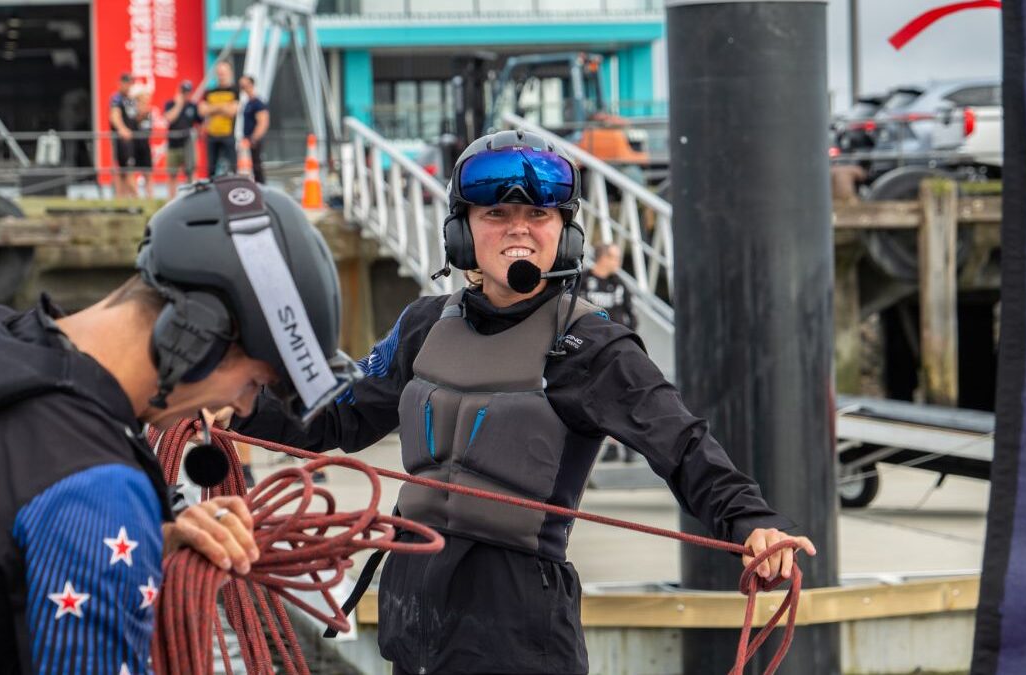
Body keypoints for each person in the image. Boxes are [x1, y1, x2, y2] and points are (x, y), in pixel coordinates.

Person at [234, 130, 817, 675]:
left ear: (564, 231)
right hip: (413, 608)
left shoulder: (592, 346)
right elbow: (341, 417)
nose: (518, 229)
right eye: (496, 214)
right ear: (463, 231)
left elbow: (683, 446)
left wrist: (753, 522)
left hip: (518, 623)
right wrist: (238, 405)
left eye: (538, 215)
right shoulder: (421, 325)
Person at [0, 176, 358, 673]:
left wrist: (151, 535)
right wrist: (117, 529)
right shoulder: (97, 490)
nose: (245, 407)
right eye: (254, 382)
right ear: (196, 337)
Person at [583, 242, 637, 462]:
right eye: (614, 257)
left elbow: (630, 316)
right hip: (587, 351)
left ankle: (624, 444)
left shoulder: (619, 284)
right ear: (603, 258)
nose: (618, 263)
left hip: (614, 350)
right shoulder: (583, 281)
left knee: (618, 395)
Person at [198, 61, 239, 179]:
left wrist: (212, 108)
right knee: (211, 168)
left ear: (229, 73)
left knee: (232, 167)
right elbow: (202, 110)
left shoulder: (235, 90)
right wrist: (223, 106)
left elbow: (232, 111)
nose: (221, 75)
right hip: (212, 134)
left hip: (228, 134)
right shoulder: (209, 92)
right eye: (219, 72)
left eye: (224, 72)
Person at [164, 80, 201, 196]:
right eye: (183, 92)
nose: (185, 95)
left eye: (188, 92)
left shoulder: (193, 106)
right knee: (172, 173)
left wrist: (196, 139)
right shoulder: (170, 104)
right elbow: (170, 118)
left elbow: (200, 123)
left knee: (190, 171)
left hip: (188, 144)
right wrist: (178, 104)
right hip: (173, 145)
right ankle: (171, 199)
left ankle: (191, 196)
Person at [109, 72, 139, 198]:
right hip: (122, 140)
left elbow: (135, 117)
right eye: (126, 83)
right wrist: (122, 129)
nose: (128, 86)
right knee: (124, 170)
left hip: (132, 141)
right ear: (120, 83)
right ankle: (128, 198)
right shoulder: (117, 98)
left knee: (127, 170)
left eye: (130, 83)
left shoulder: (131, 100)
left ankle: (126, 198)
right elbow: (114, 116)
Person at [238, 75, 269, 184]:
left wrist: (254, 138)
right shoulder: (247, 103)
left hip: (253, 140)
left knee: (257, 166)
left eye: (244, 85)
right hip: (247, 140)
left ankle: (261, 187)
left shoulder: (258, 103)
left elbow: (263, 122)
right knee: (248, 166)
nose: (242, 87)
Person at [129, 85, 155, 199]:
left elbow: (149, 129)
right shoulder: (132, 112)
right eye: (144, 99)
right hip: (133, 146)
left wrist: (144, 113)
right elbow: (132, 123)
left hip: (145, 146)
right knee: (131, 173)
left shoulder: (149, 113)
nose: (146, 102)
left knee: (148, 174)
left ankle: (150, 198)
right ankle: (136, 197)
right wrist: (139, 113)